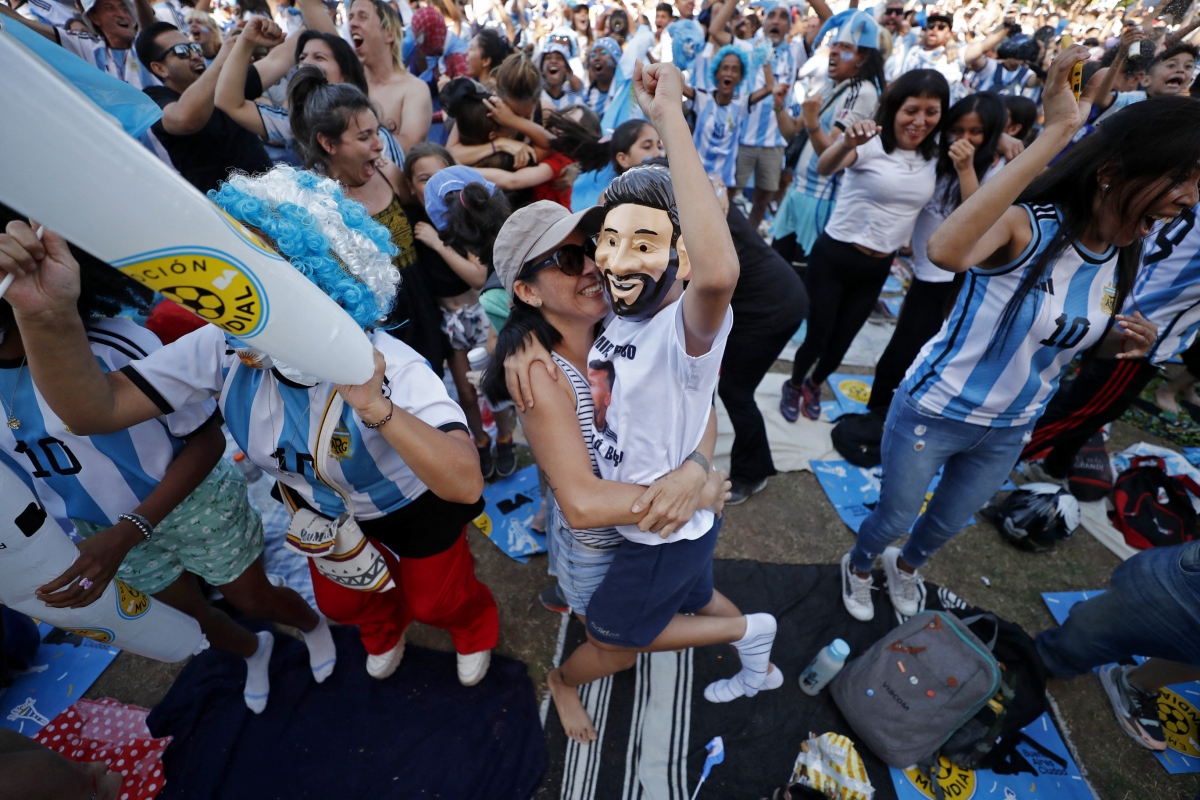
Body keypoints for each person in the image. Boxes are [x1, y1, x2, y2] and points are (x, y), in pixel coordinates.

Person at [0, 165, 501, 687]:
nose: (229, 290)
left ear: (314, 277)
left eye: (256, 271)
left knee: (437, 598)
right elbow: (93, 411)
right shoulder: (222, 347)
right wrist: (47, 317)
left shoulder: (385, 361)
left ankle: (472, 626)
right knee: (342, 600)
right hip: (322, 514)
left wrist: (377, 408)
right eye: (227, 265)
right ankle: (382, 625)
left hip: (411, 505)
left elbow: (464, 483)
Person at [839, 48, 1192, 623]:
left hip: (1010, 427)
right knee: (897, 517)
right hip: (936, 408)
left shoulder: (1127, 249)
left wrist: (1124, 342)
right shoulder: (1026, 226)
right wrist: (1057, 133)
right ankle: (858, 565)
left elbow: (1078, 338)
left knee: (946, 524)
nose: (1190, 199)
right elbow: (945, 251)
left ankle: (904, 569)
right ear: (1112, 173)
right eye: (1179, 179)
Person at [482, 198, 732, 741]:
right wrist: (696, 493)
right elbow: (581, 503)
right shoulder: (542, 375)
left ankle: (729, 626)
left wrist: (695, 468)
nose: (597, 265)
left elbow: (700, 403)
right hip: (604, 546)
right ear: (526, 291)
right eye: (567, 261)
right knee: (614, 649)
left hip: (667, 527)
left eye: (593, 245)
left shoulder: (628, 317)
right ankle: (563, 681)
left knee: (697, 592)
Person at [781, 69, 948, 422]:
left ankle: (814, 382)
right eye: (911, 110)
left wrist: (1010, 142)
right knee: (819, 335)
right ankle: (794, 383)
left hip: (879, 266)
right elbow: (826, 168)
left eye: (931, 111)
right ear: (894, 109)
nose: (919, 121)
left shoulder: (937, 155)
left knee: (842, 342)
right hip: (836, 255)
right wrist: (845, 142)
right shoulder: (871, 142)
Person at [1021, 200, 1200, 487]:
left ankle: (1054, 467)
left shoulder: (1188, 198)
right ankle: (995, 464)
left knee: (1087, 408)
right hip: (1141, 333)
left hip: (1129, 308)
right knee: (1080, 412)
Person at [289, 66, 447, 376]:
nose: (379, 145)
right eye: (365, 137)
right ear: (328, 144)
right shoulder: (317, 206)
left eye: (377, 132)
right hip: (375, 339)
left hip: (424, 314)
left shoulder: (389, 173)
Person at [866, 91, 1008, 418]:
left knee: (915, 348)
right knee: (905, 345)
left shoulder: (992, 170)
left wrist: (967, 168)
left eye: (976, 132)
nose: (964, 138)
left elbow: (975, 220)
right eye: (957, 129)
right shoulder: (933, 156)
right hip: (923, 271)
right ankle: (878, 410)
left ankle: (885, 413)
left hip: (952, 278)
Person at [1036, 540, 1200, 752]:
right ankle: (1132, 678)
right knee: (1062, 651)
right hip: (1174, 586)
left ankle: (1136, 681)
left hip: (1171, 577)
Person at [416, 163, 520, 478]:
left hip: (483, 317)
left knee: (496, 388)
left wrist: (437, 243)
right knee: (468, 390)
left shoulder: (493, 292)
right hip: (453, 321)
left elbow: (481, 283)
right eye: (420, 177)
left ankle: (505, 439)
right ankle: (482, 440)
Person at [770, 9, 884, 266]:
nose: (833, 52)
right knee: (777, 267)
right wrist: (778, 106)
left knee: (800, 274)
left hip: (820, 199)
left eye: (844, 48)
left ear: (861, 59)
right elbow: (791, 133)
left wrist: (811, 123)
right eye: (833, 46)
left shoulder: (862, 91)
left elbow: (830, 153)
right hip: (796, 192)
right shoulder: (831, 85)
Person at [133, 20, 290, 193]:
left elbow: (279, 60)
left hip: (272, 198)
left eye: (195, 47)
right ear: (160, 68)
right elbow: (184, 119)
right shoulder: (155, 97)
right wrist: (224, 58)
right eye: (182, 51)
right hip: (224, 215)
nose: (195, 55)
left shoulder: (226, 83)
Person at [1, 0, 160, 89]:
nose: (121, 14)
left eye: (125, 8)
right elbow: (24, 23)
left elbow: (148, 28)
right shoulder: (89, 48)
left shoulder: (142, 46)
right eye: (109, 8)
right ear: (95, 18)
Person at [680, 45, 775, 188]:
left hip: (723, 183)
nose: (729, 73)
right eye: (725, 68)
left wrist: (765, 58)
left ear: (741, 77)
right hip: (694, 177)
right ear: (716, 73)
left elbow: (769, 88)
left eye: (735, 69)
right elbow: (676, 84)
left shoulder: (741, 104)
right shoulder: (702, 98)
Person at [553, 115, 663, 210]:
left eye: (659, 146)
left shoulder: (670, 189)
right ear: (623, 159)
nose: (658, 153)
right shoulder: (611, 197)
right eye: (647, 147)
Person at [540, 38, 584, 111]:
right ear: (541, 70)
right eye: (548, 58)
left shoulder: (575, 103)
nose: (553, 61)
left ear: (567, 70)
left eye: (559, 58)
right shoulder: (534, 100)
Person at [583, 36, 620, 117]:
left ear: (615, 62)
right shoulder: (585, 96)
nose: (596, 58)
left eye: (603, 53)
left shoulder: (623, 93)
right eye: (593, 54)